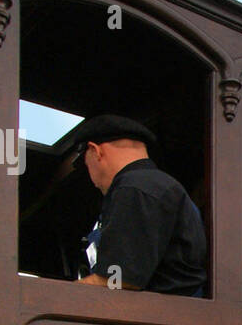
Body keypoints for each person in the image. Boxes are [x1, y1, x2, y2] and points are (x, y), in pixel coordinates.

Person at [70, 115, 208, 297]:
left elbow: (120, 279)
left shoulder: (135, 187)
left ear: (95, 151)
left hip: (158, 319)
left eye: (85, 163)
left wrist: (61, 295)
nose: (89, 175)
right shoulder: (153, 185)